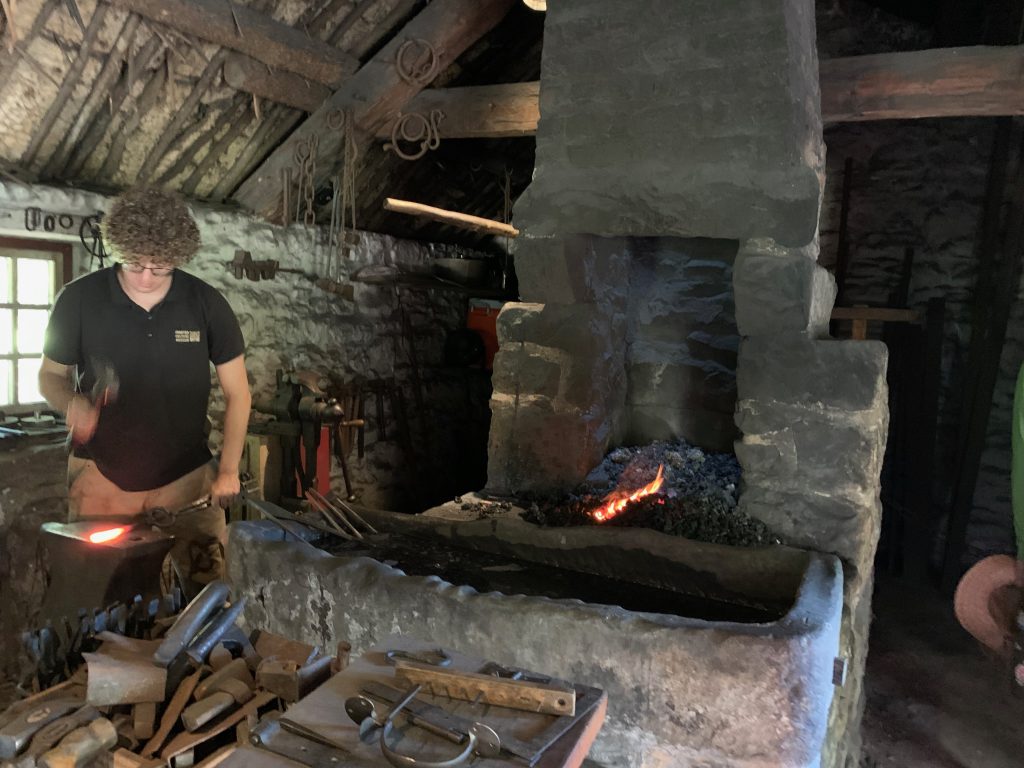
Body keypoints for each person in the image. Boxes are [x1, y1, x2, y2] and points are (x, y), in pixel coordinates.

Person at [38, 187, 252, 597]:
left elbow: (239, 394)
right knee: (96, 592)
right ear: (118, 248)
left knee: (209, 591)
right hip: (101, 477)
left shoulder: (206, 304)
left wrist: (227, 470)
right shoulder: (80, 300)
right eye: (136, 264)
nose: (147, 277)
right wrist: (71, 403)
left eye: (161, 267)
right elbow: (49, 375)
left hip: (188, 479)